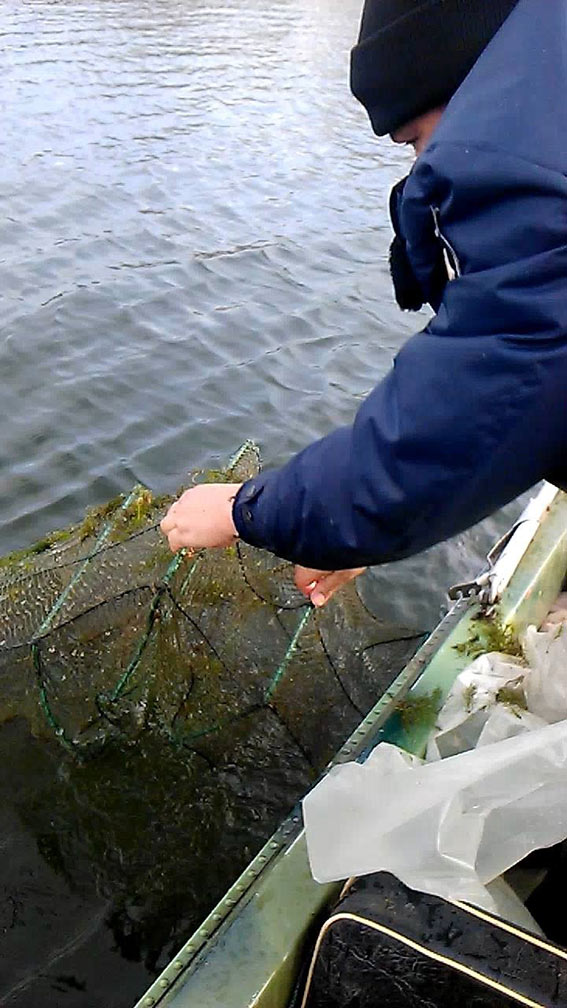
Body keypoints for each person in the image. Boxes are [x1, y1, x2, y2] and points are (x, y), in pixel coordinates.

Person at [162, 0, 567, 609]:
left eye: (416, 140)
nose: (421, 165)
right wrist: (354, 540)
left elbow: (470, 413)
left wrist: (241, 509)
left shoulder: (521, 173)